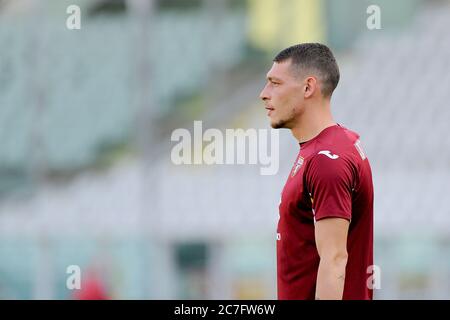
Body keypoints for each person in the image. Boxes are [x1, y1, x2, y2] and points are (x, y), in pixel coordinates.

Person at [259, 43, 374, 300]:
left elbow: (334, 260)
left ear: (308, 87)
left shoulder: (326, 160)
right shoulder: (331, 146)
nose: (264, 94)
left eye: (275, 83)